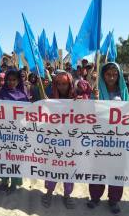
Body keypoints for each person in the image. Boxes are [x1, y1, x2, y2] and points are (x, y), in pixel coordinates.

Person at [87, 62, 129, 214]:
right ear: (103, 75)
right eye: (108, 74)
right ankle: (95, 197)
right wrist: (94, 100)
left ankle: (114, 199)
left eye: (114, 74)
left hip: (119, 138)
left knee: (117, 169)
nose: (111, 77)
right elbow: (88, 113)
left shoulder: (124, 92)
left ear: (118, 76)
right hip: (100, 138)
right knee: (98, 168)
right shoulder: (96, 91)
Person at [41, 71, 75, 209]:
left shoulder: (77, 99)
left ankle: (67, 195)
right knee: (52, 166)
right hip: (54, 141)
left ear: (70, 84)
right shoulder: (51, 99)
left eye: (64, 84)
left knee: (69, 169)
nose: (61, 87)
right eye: (58, 84)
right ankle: (49, 192)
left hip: (71, 142)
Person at [0, 70, 28, 194]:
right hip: (3, 132)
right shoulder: (1, 94)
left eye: (14, 80)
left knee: (15, 158)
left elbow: (27, 114)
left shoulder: (22, 96)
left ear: (18, 81)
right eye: (8, 79)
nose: (11, 82)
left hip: (17, 133)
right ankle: (4, 182)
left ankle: (14, 184)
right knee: (4, 157)